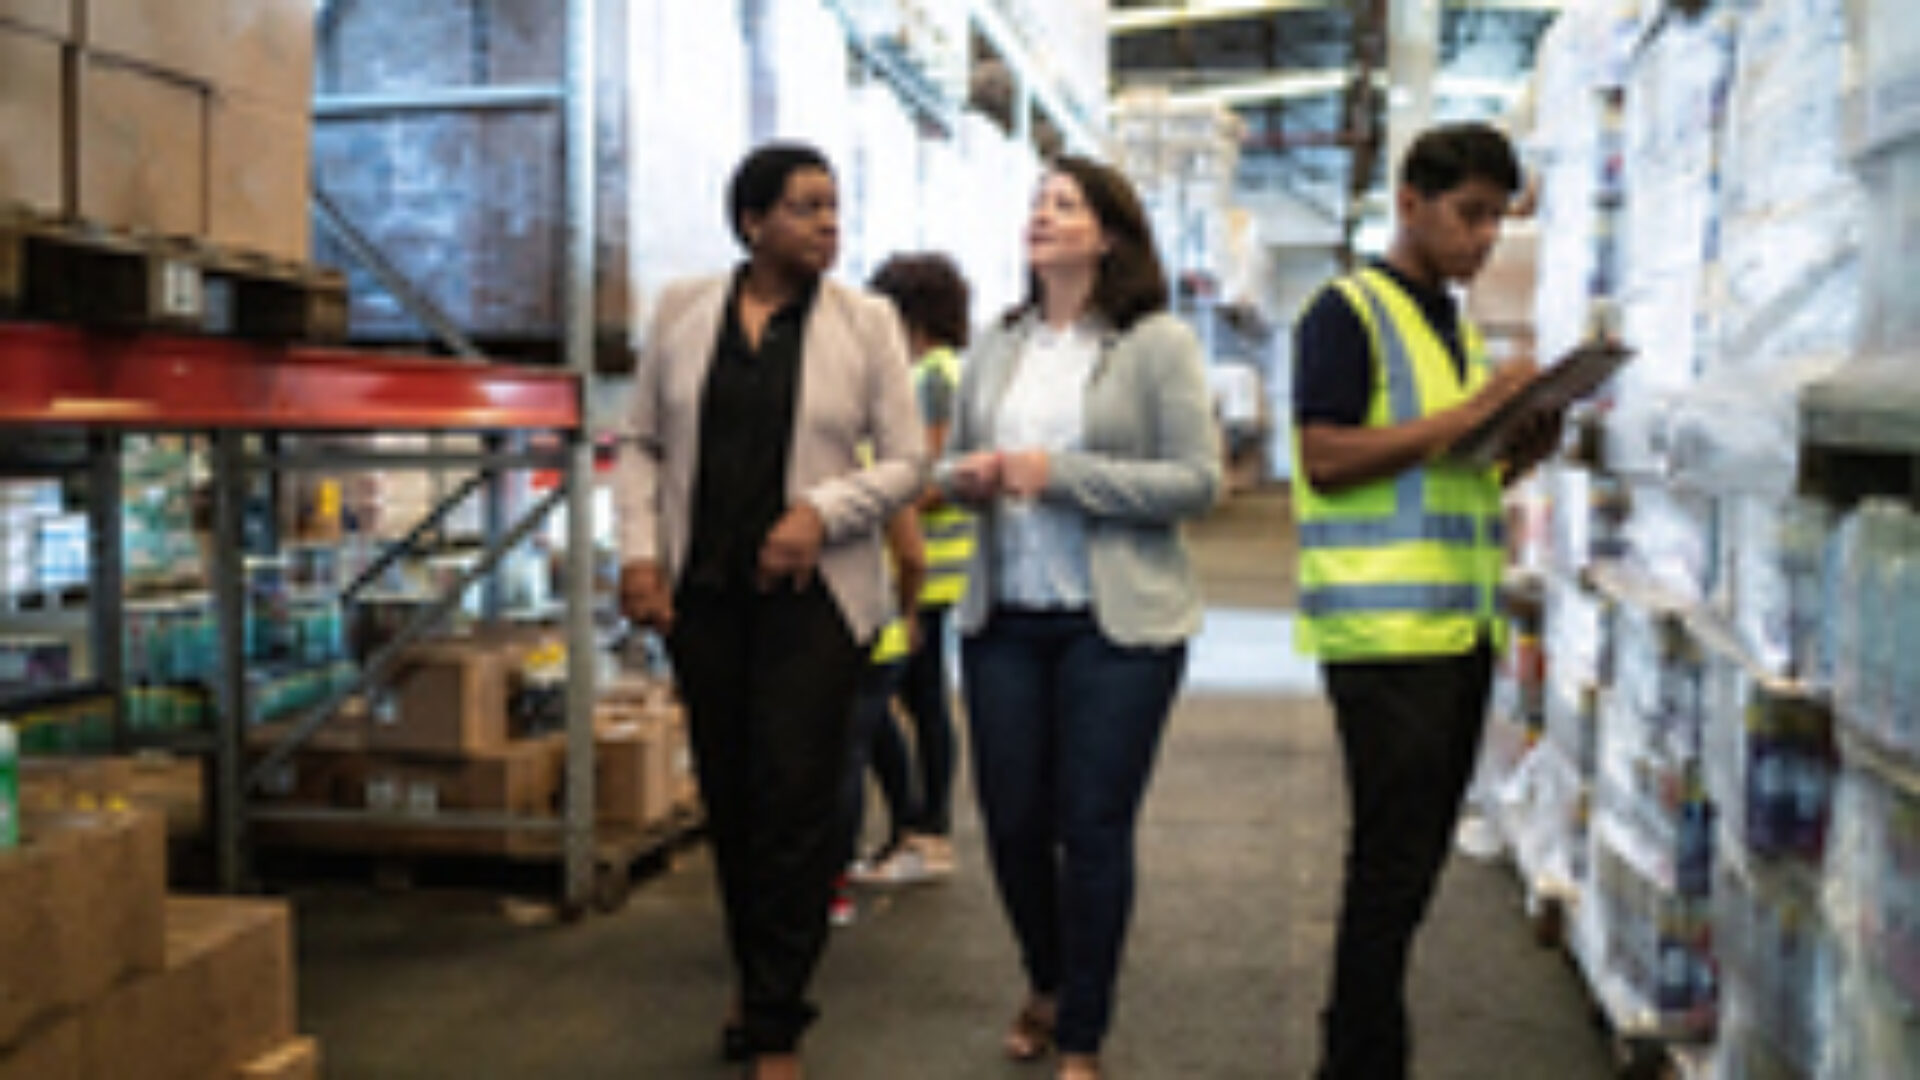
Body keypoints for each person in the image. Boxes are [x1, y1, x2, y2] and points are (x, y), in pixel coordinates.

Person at [613, 141, 925, 1080]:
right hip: (706, 601)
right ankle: (758, 976)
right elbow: (639, 445)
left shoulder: (866, 323)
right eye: (804, 207)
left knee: (795, 806)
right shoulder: (681, 311)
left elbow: (911, 463)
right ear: (752, 222)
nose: (828, 222)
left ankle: (777, 1025)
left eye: (833, 206)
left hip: (814, 605)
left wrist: (820, 513)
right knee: (736, 803)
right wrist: (636, 554)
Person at [937, 155, 1222, 1080]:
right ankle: (1049, 982)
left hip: (1118, 626)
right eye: (1036, 205)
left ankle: (1085, 1034)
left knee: (1092, 826)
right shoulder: (996, 343)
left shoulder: (1156, 344)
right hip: (1005, 620)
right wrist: (967, 479)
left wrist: (1058, 476)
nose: (1042, 217)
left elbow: (1197, 482)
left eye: (1064, 205)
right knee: (1014, 824)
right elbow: (952, 466)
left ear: (1107, 234)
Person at [1288, 122, 1562, 1080]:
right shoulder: (1346, 312)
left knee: (1410, 872)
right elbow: (1324, 458)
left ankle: (1367, 1052)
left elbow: (1453, 466)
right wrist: (1471, 412)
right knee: (1389, 868)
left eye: (1498, 219)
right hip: (1384, 634)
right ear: (1409, 202)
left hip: (1456, 627)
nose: (1485, 238)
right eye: (1470, 213)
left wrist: (1525, 438)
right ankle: (1358, 1062)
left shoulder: (1450, 322)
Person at [852, 252, 976, 885]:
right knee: (915, 697)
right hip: (933, 566)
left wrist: (864, 505)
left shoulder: (932, 375)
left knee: (906, 699)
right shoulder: (948, 370)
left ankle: (922, 832)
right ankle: (918, 830)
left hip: (925, 568)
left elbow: (922, 477)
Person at [832, 506, 925, 924]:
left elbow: (911, 555)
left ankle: (833, 883)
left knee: (843, 757)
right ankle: (906, 828)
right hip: (883, 634)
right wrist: (908, 612)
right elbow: (912, 558)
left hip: (840, 638)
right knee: (875, 733)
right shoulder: (882, 468)